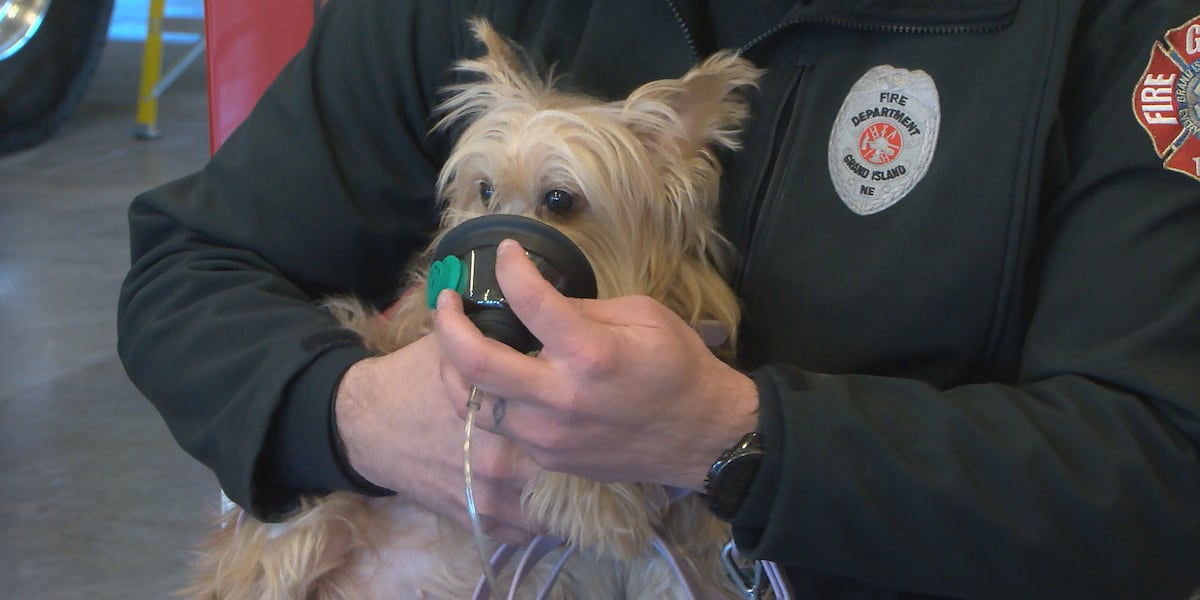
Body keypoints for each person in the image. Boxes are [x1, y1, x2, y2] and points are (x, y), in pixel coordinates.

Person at [117, 1, 1200, 598]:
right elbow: (190, 270)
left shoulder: (1125, 35)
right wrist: (359, 417)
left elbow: (1161, 468)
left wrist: (736, 440)